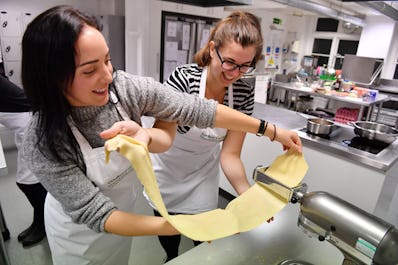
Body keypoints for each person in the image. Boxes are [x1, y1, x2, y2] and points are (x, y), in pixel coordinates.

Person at [20, 5, 302, 265]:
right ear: (51, 76)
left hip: (126, 216)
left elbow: (195, 108)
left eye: (107, 60)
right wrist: (182, 225)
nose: (107, 76)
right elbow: (96, 213)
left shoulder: (125, 88)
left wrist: (271, 132)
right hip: (78, 237)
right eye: (90, 69)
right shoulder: (42, 140)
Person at [143, 11, 283, 261]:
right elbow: (162, 135)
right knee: (169, 232)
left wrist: (247, 193)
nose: (234, 73)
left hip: (202, 174)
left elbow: (230, 155)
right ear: (212, 49)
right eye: (229, 62)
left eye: (244, 66)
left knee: (205, 237)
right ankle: (171, 257)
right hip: (168, 168)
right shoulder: (183, 79)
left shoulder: (242, 92)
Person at [0, 75, 47, 247]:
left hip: (31, 123)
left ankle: (43, 224)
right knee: (31, 181)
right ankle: (39, 221)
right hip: (26, 122)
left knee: (28, 182)